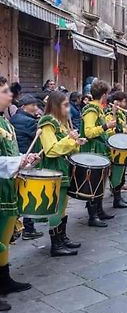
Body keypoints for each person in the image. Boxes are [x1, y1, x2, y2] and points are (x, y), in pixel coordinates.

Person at [0, 76, 40, 312]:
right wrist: (17, 161)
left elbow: (11, 153)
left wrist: (24, 161)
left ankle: (4, 280)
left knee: (4, 241)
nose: (10, 95)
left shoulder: (5, 122)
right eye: (5, 91)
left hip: (7, 190)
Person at [37, 91, 86, 256]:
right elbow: (51, 150)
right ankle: (55, 245)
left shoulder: (61, 123)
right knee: (56, 208)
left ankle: (62, 238)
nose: (69, 109)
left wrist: (76, 142)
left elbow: (65, 146)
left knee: (63, 207)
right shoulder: (47, 122)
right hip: (54, 169)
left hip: (63, 168)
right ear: (56, 106)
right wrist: (69, 140)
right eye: (65, 105)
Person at [80, 80, 116, 227]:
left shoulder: (98, 109)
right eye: (107, 94)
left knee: (100, 182)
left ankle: (99, 211)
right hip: (93, 150)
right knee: (94, 182)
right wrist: (106, 126)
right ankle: (92, 216)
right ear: (103, 95)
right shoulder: (91, 110)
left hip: (99, 149)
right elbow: (88, 132)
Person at [10, 95, 43, 241]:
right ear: (24, 106)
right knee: (28, 194)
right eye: (33, 105)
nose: (36, 108)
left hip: (16, 159)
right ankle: (28, 229)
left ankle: (15, 227)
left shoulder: (13, 118)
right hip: (27, 160)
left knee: (17, 194)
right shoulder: (30, 122)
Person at [105, 91, 127, 208]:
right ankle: (116, 198)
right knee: (115, 172)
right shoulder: (109, 113)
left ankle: (118, 196)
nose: (126, 104)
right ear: (118, 102)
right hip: (114, 147)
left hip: (121, 145)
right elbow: (110, 131)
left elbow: (123, 127)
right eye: (125, 101)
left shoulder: (121, 114)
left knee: (120, 172)